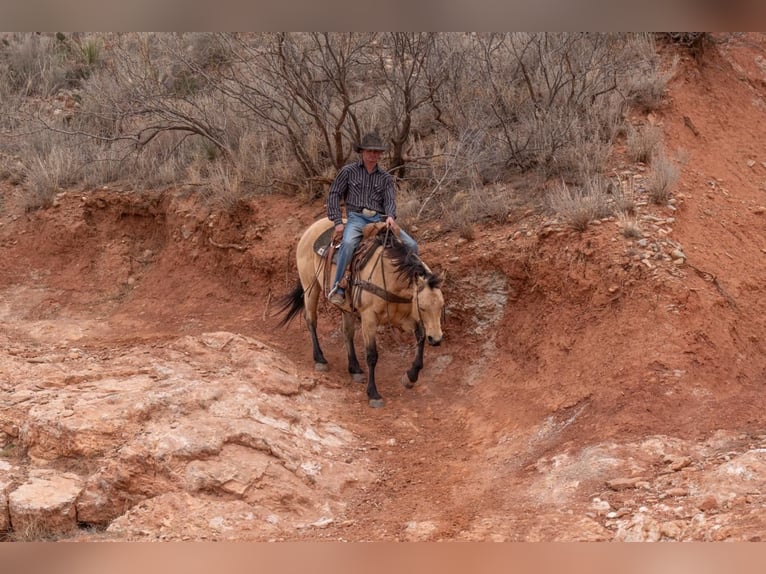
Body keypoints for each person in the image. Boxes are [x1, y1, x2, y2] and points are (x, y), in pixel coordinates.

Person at [326, 131, 418, 306]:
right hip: (356, 218)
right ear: (362, 152)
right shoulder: (348, 172)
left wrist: (390, 216)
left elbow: (390, 200)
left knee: (412, 245)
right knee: (347, 244)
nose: (373, 155)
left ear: (380, 154)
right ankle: (339, 288)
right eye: (369, 151)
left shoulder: (385, 178)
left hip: (379, 219)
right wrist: (338, 222)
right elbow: (334, 194)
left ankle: (411, 285)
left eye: (376, 152)